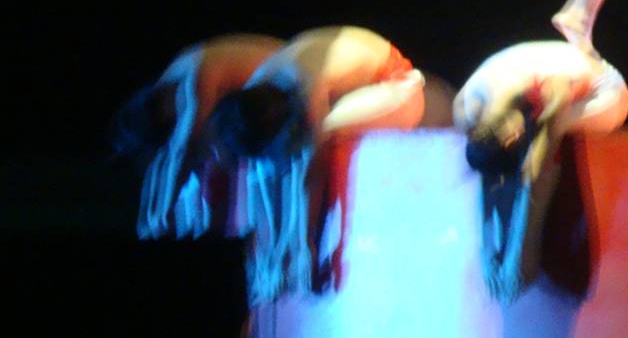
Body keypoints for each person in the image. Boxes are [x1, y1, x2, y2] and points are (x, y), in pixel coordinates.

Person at [209, 26, 427, 301]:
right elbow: (262, 172)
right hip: (345, 92)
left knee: (325, 143)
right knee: (282, 159)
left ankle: (332, 251)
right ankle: (280, 255)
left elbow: (311, 176)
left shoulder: (305, 84)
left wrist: (306, 246)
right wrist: (266, 251)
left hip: (399, 87)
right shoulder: (259, 88)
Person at [454, 41, 628, 302]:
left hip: (604, 91)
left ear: (513, 134)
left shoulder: (549, 96)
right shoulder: (468, 110)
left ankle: (524, 252)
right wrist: (487, 249)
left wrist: (518, 256)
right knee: (503, 164)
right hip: (518, 85)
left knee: (539, 152)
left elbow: (535, 179)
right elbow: (487, 173)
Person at [112, 33, 283, 239]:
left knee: (211, 145)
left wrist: (161, 211)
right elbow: (169, 156)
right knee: (213, 145)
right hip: (272, 94)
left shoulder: (194, 79)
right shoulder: (174, 76)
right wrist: (151, 209)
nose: (177, 124)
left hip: (292, 89)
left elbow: (183, 149)